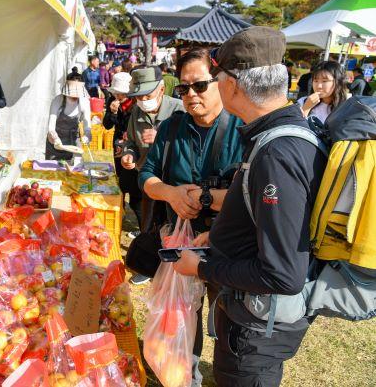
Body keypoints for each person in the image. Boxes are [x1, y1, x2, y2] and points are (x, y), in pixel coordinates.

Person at [174, 26, 327, 386]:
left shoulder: (277, 153)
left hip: (257, 327)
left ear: (233, 85)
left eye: (215, 78)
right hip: (254, 319)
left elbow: (282, 275)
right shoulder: (279, 136)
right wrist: (222, 237)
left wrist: (202, 269)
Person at [140, 47, 244, 387]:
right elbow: (147, 177)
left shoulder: (241, 130)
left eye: (199, 85)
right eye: (183, 89)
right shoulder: (172, 128)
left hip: (227, 246)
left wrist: (203, 198)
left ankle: (228, 371)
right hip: (179, 241)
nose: (190, 95)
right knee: (183, 313)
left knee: (228, 316)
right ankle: (185, 371)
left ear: (221, 83)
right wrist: (170, 193)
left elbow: (253, 193)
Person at [121, 66, 184, 284]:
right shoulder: (137, 113)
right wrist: (128, 154)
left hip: (175, 183)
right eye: (138, 96)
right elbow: (130, 141)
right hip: (148, 181)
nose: (143, 100)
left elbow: (191, 146)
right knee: (148, 226)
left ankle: (174, 269)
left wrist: (162, 137)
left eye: (147, 95)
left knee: (173, 228)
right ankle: (147, 267)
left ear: (161, 89)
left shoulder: (180, 110)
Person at [103, 72, 142, 228]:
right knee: (120, 180)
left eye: (121, 93)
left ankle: (141, 222)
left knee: (134, 187)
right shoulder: (113, 102)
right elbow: (106, 125)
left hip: (133, 148)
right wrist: (112, 113)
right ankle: (121, 213)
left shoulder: (136, 104)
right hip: (118, 148)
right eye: (116, 93)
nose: (118, 96)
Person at [45, 79, 91, 161]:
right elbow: (51, 127)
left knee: (75, 169)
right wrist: (54, 137)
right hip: (56, 140)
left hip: (73, 140)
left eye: (77, 95)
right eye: (72, 95)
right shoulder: (57, 100)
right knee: (53, 169)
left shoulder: (84, 102)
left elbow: (87, 125)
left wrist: (87, 134)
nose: (75, 97)